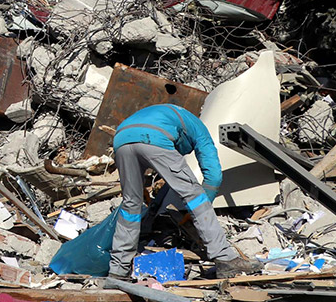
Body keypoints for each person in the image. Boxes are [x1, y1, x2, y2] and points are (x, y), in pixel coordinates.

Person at [109, 103, 260, 280]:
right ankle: (225, 258)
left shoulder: (169, 115)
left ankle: (118, 270)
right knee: (195, 195)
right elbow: (214, 176)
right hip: (155, 136)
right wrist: (201, 206)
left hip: (121, 139)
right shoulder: (200, 130)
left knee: (130, 204)